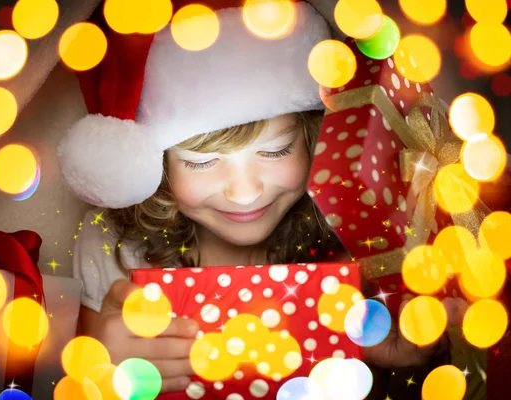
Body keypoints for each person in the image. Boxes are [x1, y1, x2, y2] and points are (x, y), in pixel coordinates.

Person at [58, 0, 461, 395]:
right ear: (157, 167)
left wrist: (399, 354)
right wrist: (101, 368)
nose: (245, 192)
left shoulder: (362, 240)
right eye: (201, 163)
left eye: (275, 151)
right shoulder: (112, 247)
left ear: (312, 138)